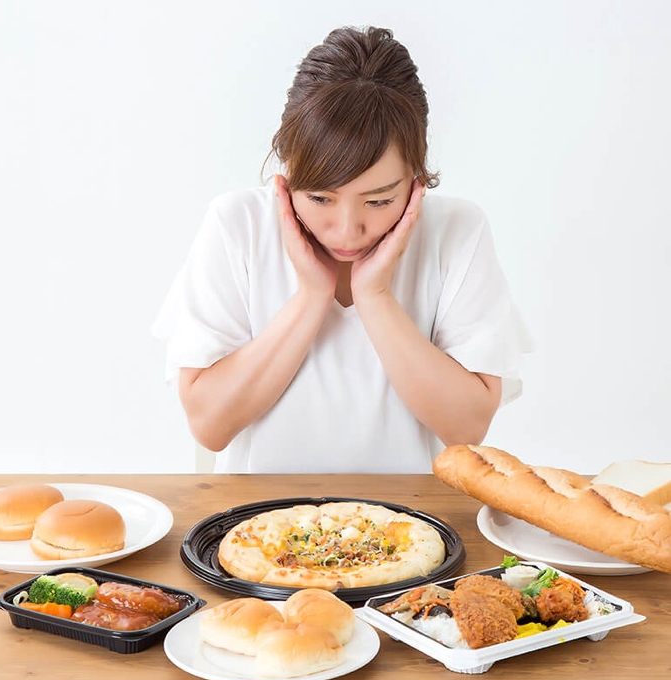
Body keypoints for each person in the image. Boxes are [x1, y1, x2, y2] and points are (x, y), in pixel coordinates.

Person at [152, 26, 531, 474]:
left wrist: (376, 297)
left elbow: (466, 428)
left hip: (411, 529)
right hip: (256, 528)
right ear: (286, 171)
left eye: (379, 201)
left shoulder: (457, 231)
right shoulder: (238, 225)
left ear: (417, 179)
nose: (348, 232)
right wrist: (311, 297)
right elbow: (209, 425)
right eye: (319, 199)